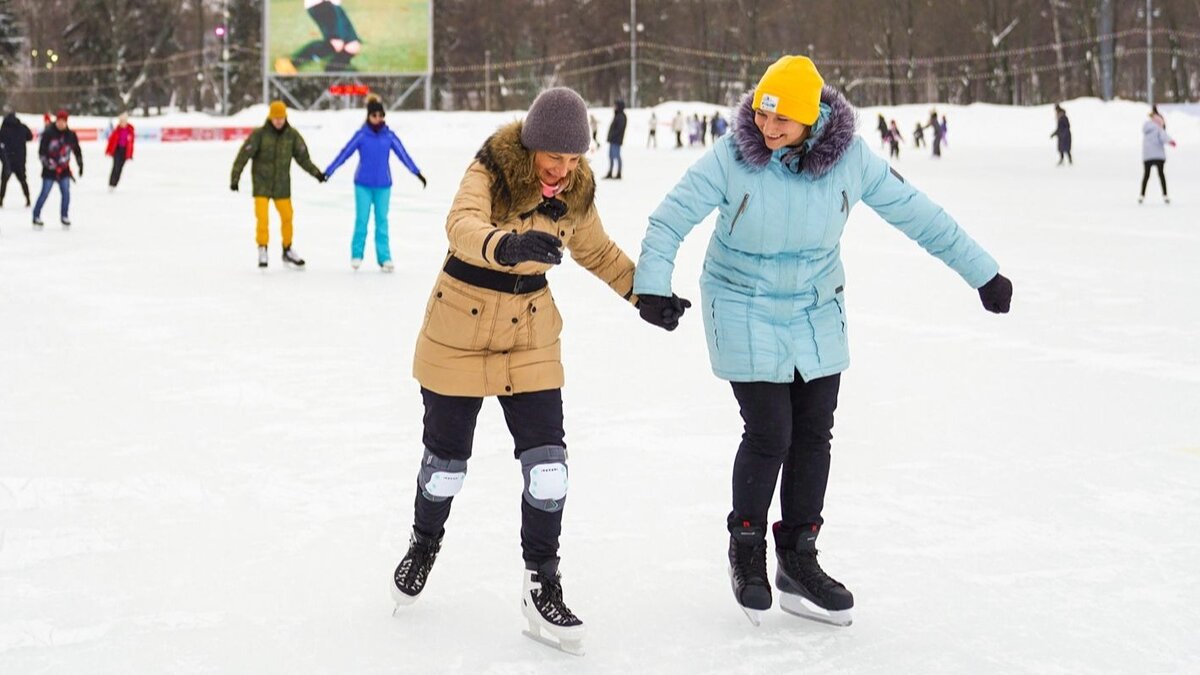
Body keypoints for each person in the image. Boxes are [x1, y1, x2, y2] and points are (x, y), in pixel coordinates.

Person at [633, 55, 1012, 628]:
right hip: (741, 300)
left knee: (814, 431)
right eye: (763, 114)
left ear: (813, 118)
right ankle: (747, 549)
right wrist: (653, 288)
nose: (768, 128)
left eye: (783, 120)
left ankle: (798, 558)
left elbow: (920, 215)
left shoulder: (850, 161)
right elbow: (669, 220)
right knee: (770, 432)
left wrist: (981, 271)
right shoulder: (732, 157)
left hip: (814, 306)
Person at [391, 86, 649, 654]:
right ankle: (424, 542)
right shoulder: (490, 170)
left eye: (574, 158)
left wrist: (644, 294)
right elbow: (460, 224)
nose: (563, 170)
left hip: (530, 337)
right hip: (458, 331)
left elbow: (600, 253)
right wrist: (504, 245)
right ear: (531, 146)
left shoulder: (575, 192)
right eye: (554, 158)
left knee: (549, 469)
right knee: (445, 469)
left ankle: (542, 584)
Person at [323, 96, 426, 271]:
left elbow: (403, 154)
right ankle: (356, 255)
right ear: (369, 116)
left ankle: (384, 258)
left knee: (382, 222)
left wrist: (416, 172)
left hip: (384, 185)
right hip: (362, 185)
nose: (378, 118)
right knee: (361, 220)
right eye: (375, 115)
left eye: (381, 115)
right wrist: (328, 171)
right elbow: (344, 153)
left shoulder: (389, 136)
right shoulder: (362, 135)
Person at [230, 100, 326, 268]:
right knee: (262, 218)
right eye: (276, 118)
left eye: (281, 118)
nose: (279, 121)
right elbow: (243, 156)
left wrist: (316, 173)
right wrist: (235, 178)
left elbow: (303, 159)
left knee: (288, 217)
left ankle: (287, 249)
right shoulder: (259, 134)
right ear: (270, 118)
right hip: (262, 184)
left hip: (282, 185)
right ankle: (262, 248)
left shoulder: (292, 135)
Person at [274, 0, 362, 74]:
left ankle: (331, 73)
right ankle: (289, 63)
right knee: (336, 43)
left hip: (335, 5)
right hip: (321, 4)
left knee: (352, 46)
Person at [33, 109, 83, 229]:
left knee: (66, 193)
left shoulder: (71, 135)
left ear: (66, 122)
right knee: (44, 193)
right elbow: (42, 151)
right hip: (49, 170)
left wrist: (80, 164)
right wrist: (46, 163)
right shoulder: (49, 133)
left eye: (63, 121)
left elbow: (77, 150)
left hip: (64, 170)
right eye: (59, 121)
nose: (60, 124)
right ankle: (36, 216)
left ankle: (64, 216)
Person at [1140, 108, 1176, 205]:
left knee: (1146, 175)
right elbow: (1164, 137)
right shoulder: (1158, 128)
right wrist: (1171, 142)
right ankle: (1165, 195)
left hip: (1147, 156)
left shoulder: (1146, 129)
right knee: (1161, 175)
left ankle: (1142, 195)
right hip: (1158, 156)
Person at [1, 112, 34, 207]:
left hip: (7, 160)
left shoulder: (3, 129)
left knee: (4, 182)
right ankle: (28, 198)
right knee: (23, 180)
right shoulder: (21, 127)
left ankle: (1, 200)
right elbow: (30, 136)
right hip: (20, 159)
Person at [105, 112, 135, 190]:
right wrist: (108, 151)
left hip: (125, 151)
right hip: (117, 150)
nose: (122, 123)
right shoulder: (116, 130)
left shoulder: (130, 130)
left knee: (120, 168)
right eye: (121, 121)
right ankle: (111, 183)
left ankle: (115, 184)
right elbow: (111, 141)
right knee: (116, 166)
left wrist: (130, 154)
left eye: (124, 121)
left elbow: (131, 144)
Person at [604, 98, 627, 179]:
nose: (614, 107)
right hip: (613, 140)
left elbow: (619, 129)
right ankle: (610, 172)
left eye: (616, 105)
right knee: (610, 156)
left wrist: (612, 136)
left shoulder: (621, 116)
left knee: (616, 156)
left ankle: (619, 173)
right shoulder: (617, 115)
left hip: (616, 141)